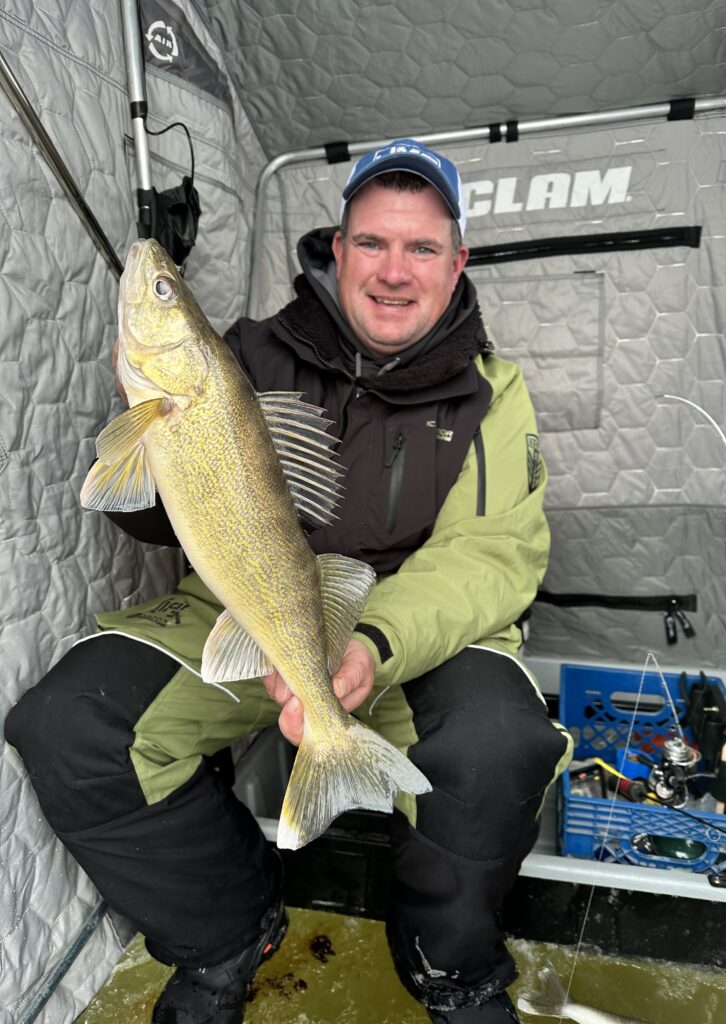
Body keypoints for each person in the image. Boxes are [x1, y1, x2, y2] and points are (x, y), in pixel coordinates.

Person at [5, 139, 572, 1024]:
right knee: (70, 726)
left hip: (403, 629)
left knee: (499, 748)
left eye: (421, 248)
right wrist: (145, 433)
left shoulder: (491, 394)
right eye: (373, 243)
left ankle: (447, 966)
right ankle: (227, 933)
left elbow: (489, 557)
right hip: (243, 599)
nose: (394, 271)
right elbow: (159, 521)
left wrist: (368, 644)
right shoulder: (244, 357)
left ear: (457, 263)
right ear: (337, 248)